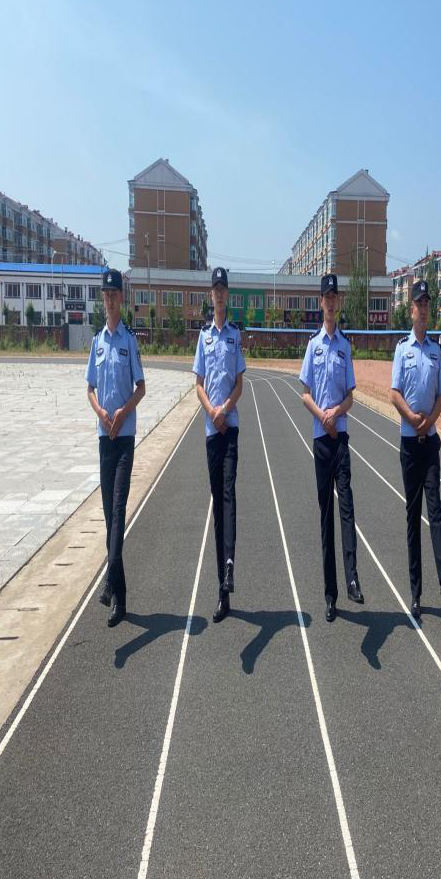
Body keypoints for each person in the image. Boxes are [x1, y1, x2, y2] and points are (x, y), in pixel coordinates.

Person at [389, 279, 441, 620]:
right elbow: (394, 394)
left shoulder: (435, 351)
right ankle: (415, 593)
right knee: (412, 517)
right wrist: (411, 417)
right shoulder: (402, 349)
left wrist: (429, 420)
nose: (424, 309)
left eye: (427, 304)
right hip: (409, 444)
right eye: (419, 304)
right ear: (411, 310)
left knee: (436, 506)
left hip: (430, 441)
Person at [299, 274, 364, 623]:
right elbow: (305, 394)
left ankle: (352, 578)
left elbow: (351, 396)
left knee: (347, 507)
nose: (330, 302)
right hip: (320, 441)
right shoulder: (313, 346)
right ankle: (330, 594)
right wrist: (321, 416)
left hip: (340, 437)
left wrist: (335, 413)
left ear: (338, 302)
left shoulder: (344, 346)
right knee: (325, 517)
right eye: (326, 297)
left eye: (334, 297)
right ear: (320, 301)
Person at [85, 269, 146, 627]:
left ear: (122, 298)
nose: (109, 299)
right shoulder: (97, 342)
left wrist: (122, 412)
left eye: (114, 294)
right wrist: (100, 412)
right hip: (103, 437)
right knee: (110, 517)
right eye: (105, 294)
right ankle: (119, 598)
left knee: (120, 509)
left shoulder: (129, 342)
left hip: (124, 437)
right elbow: (90, 389)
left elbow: (141, 387)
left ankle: (109, 581)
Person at [193, 267, 246, 623]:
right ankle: (221, 591)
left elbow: (240, 383)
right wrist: (212, 411)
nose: (220, 294)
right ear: (211, 295)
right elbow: (198, 384)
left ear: (228, 294)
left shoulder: (235, 336)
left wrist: (225, 408)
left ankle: (229, 564)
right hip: (211, 429)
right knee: (217, 505)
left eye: (224, 288)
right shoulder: (203, 337)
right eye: (216, 289)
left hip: (230, 426)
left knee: (228, 493)